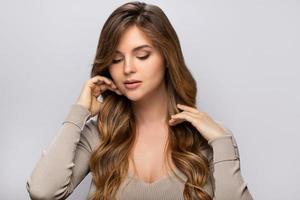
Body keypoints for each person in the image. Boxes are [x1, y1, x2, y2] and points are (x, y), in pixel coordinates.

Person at [26, 1, 254, 200]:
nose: (127, 69)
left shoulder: (208, 138)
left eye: (142, 55)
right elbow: (43, 192)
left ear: (167, 57)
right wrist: (79, 111)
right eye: (116, 59)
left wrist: (222, 141)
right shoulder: (100, 133)